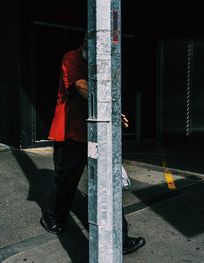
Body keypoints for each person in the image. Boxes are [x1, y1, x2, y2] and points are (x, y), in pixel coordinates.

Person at [41, 32, 145, 255]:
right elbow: (81, 87)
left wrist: (114, 114)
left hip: (96, 135)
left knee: (107, 186)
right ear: (84, 45)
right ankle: (52, 217)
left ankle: (120, 237)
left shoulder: (101, 64)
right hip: (70, 134)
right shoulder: (71, 59)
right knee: (66, 182)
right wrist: (112, 111)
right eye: (94, 49)